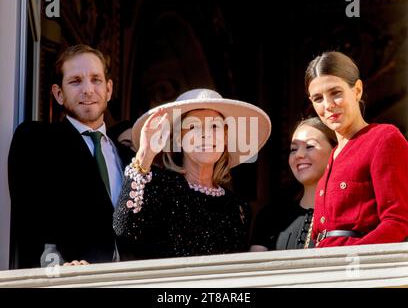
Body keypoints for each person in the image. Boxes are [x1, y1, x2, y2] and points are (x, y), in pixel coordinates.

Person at [113, 88, 271, 259]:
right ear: (180, 139)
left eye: (214, 126)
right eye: (194, 127)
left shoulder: (238, 208)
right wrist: (144, 156)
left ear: (225, 138)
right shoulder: (158, 186)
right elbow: (123, 230)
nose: (205, 135)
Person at [8, 44, 124, 268]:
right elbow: (30, 221)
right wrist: (55, 270)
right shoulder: (36, 140)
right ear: (58, 94)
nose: (88, 90)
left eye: (96, 80)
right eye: (75, 81)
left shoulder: (130, 157)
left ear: (109, 90)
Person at [305, 51, 408, 247]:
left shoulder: (384, 138)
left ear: (357, 90)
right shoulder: (331, 156)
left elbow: (398, 222)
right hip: (321, 269)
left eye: (336, 93)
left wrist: (352, 259)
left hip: (360, 272)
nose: (328, 105)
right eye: (318, 98)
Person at [250, 117, 336, 251]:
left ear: (335, 151)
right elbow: (256, 270)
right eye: (293, 149)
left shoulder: (347, 215)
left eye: (310, 146)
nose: (299, 155)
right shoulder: (269, 217)